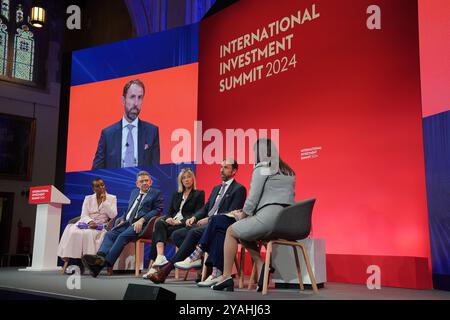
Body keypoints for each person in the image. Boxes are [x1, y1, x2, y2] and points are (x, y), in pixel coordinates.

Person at [211, 138, 296, 292]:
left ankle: (226, 277)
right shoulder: (288, 171)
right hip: (286, 222)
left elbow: (253, 197)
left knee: (231, 230)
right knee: (243, 232)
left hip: (269, 219)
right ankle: (261, 264)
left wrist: (243, 215)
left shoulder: (262, 167)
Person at [148, 159, 247, 284]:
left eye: (226, 167)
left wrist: (209, 219)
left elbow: (232, 214)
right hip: (206, 225)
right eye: (221, 167)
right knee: (176, 234)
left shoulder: (239, 189)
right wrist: (195, 217)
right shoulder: (217, 188)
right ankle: (200, 260)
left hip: (220, 226)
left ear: (234, 171)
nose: (221, 170)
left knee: (194, 233)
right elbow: (205, 208)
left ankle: (166, 270)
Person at [82, 170, 163, 277]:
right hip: (127, 223)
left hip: (142, 225)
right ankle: (99, 257)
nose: (144, 183)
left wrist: (142, 219)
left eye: (146, 181)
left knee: (122, 236)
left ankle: (101, 264)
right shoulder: (134, 192)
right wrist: (122, 219)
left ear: (151, 182)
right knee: (110, 234)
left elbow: (157, 210)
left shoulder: (156, 193)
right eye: (141, 181)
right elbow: (130, 209)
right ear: (137, 184)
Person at [142, 168, 205, 278]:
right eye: (184, 178)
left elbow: (197, 214)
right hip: (172, 224)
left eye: (188, 177)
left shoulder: (199, 194)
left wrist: (180, 222)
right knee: (160, 223)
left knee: (158, 232)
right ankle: (160, 257)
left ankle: (154, 267)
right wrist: (168, 219)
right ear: (180, 181)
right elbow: (170, 212)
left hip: (185, 225)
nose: (186, 180)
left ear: (193, 179)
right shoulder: (176, 194)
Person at [92, 79, 160, 169]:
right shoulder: (107, 134)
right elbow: (96, 171)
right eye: (132, 97)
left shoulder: (152, 131)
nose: (136, 103)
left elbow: (156, 170)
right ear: (123, 100)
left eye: (140, 97)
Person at [58, 178, 117, 274]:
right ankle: (76, 263)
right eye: (98, 186)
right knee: (73, 232)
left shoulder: (112, 198)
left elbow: (113, 215)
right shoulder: (88, 198)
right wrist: (90, 222)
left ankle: (89, 263)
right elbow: (84, 214)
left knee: (88, 234)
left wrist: (105, 202)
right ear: (93, 189)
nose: (101, 187)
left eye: (102, 185)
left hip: (101, 225)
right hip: (87, 223)